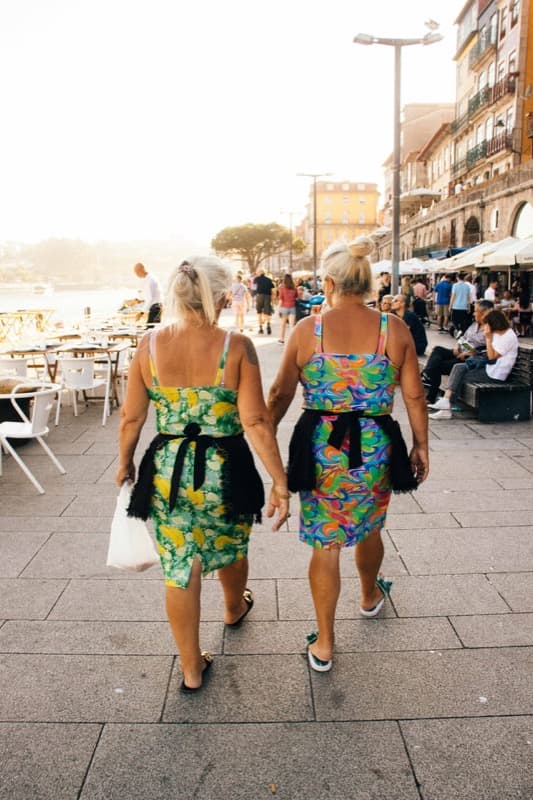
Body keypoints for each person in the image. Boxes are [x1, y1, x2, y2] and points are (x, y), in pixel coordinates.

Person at [116, 257, 289, 692]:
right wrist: (279, 480)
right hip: (226, 468)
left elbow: (131, 418)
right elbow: (255, 421)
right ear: (224, 297)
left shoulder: (148, 345)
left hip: (168, 468)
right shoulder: (237, 346)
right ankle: (233, 608)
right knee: (230, 542)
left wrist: (125, 462)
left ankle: (191, 668)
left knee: (180, 566)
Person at [267, 237, 428, 673]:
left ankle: (324, 642)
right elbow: (414, 395)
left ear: (329, 283)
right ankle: (370, 595)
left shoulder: (308, 330)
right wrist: (421, 445)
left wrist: (265, 440)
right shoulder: (393, 329)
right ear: (369, 283)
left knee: (327, 540)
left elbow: (280, 394)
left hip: (321, 450)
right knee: (369, 524)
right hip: (375, 447)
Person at [428, 310, 518, 420]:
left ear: (494, 323)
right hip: (485, 365)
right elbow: (466, 340)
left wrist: (488, 338)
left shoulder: (507, 336)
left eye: (487, 324)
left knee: (457, 376)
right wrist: (467, 349)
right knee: (457, 367)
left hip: (495, 374)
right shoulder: (491, 331)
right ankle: (446, 403)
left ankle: (446, 406)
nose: (485, 327)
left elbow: (491, 357)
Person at [421, 300, 494, 404]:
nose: (473, 314)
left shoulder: (490, 329)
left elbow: (484, 351)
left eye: (476, 311)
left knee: (438, 366)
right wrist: (458, 346)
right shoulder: (474, 325)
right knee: (438, 350)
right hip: (460, 351)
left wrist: (468, 352)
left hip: (469, 359)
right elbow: (463, 337)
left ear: (484, 313)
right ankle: (427, 373)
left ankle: (430, 393)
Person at [277, 273, 298, 344]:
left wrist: (278, 310)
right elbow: (296, 297)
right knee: (292, 325)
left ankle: (281, 339)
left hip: (284, 308)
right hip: (292, 307)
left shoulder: (282, 288)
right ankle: (292, 341)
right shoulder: (294, 288)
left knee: (283, 325)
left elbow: (280, 300)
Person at [254, 267, 275, 335]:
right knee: (267, 312)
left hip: (259, 296)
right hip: (267, 296)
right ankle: (268, 325)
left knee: (259, 312)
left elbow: (254, 288)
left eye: (257, 272)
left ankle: (261, 328)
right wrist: (272, 299)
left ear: (259, 272)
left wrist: (254, 296)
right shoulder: (269, 279)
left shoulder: (256, 279)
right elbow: (272, 290)